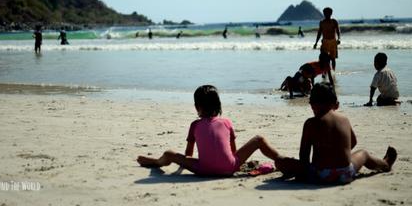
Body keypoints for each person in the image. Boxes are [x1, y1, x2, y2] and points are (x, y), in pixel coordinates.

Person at [136, 85, 280, 176]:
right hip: (230, 167)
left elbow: (188, 154)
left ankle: (157, 162)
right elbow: (233, 151)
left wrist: (183, 165)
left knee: (169, 153)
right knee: (259, 139)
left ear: (197, 107)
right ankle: (280, 160)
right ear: (218, 105)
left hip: (204, 169)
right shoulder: (227, 122)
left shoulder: (195, 125)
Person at [273, 83, 397, 184]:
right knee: (363, 154)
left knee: (280, 161)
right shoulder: (344, 119)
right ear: (335, 104)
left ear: (312, 105)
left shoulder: (310, 123)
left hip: (320, 175)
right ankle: (385, 164)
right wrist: (338, 154)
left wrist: (301, 171)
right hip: (345, 173)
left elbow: (304, 156)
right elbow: (353, 142)